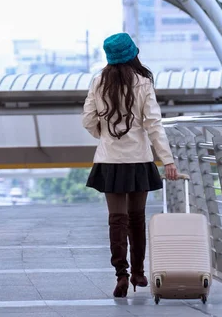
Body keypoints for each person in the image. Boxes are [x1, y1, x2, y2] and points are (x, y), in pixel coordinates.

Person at [81, 32, 178, 298]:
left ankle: (120, 275)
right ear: (133, 53)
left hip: (109, 160)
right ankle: (138, 272)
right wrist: (167, 160)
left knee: (116, 219)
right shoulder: (143, 82)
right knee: (136, 218)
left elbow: (88, 119)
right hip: (139, 159)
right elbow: (154, 124)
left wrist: (102, 135)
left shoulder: (98, 81)